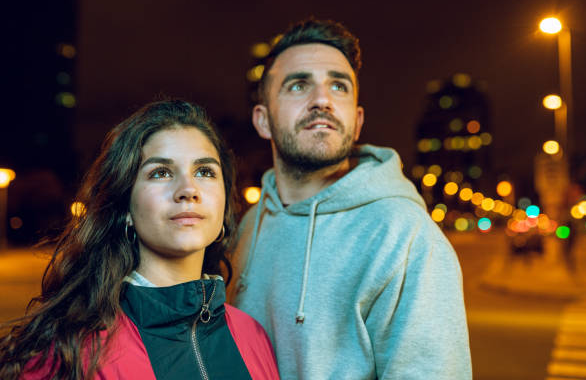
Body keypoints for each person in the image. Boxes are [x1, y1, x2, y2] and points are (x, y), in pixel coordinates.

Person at [228, 19, 472, 379]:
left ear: (357, 122)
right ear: (263, 121)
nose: (322, 100)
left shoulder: (403, 234)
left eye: (338, 86)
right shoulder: (250, 225)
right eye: (298, 85)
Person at [0, 100, 279, 380]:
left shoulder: (252, 336)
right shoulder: (70, 354)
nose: (188, 190)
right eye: (161, 173)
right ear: (127, 210)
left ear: (224, 206)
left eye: (204, 172)